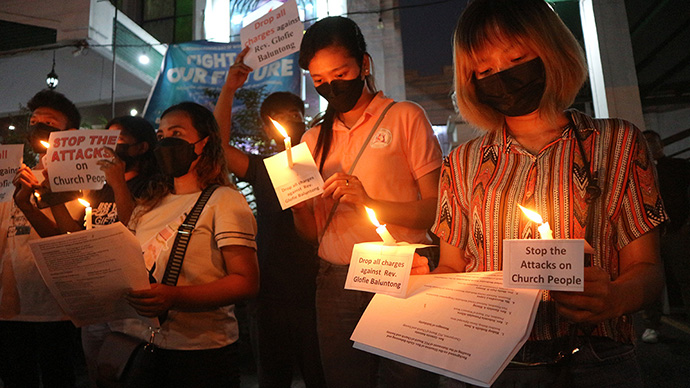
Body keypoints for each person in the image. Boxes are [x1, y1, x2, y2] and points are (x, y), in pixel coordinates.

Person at [425, 0, 666, 386]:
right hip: (491, 360)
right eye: (484, 69)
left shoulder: (617, 144)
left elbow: (649, 270)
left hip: (596, 359)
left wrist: (615, 298)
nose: (501, 76)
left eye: (516, 57)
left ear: (552, 50)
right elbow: (452, 269)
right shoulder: (462, 163)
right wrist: (416, 283)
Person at [291, 16, 443, 388]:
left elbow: (439, 209)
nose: (331, 85)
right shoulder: (312, 141)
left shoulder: (405, 117)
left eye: (340, 72)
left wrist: (371, 202)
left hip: (399, 272)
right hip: (335, 278)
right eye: (319, 80)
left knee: (407, 379)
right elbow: (312, 234)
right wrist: (298, 208)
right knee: (344, 378)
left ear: (364, 64)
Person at [112, 102, 259, 388]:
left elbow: (246, 282)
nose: (166, 141)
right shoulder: (150, 202)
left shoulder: (224, 200)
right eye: (162, 134)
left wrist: (174, 296)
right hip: (145, 346)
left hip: (200, 354)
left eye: (177, 133)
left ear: (204, 143)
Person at [213, 47, 326, 388]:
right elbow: (219, 147)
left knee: (320, 374)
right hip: (271, 291)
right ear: (266, 125)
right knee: (272, 377)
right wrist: (229, 89)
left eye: (296, 112)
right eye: (281, 115)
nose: (291, 118)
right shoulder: (262, 168)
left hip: (317, 289)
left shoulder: (321, 162)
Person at [44, 115, 158, 386]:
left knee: (127, 375)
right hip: (98, 302)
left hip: (131, 305)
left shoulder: (152, 186)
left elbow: (136, 232)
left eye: (117, 141)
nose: (109, 149)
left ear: (141, 147)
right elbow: (75, 234)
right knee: (100, 376)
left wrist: (119, 183)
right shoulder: (98, 188)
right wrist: (54, 198)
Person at [1, 89, 82, 387]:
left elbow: (73, 237)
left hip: (56, 305)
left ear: (69, 133)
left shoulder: (80, 179)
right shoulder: (13, 174)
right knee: (15, 377)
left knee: (57, 374)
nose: (38, 127)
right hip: (9, 304)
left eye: (48, 122)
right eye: (34, 121)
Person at [640, 130, 690, 343]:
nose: (651, 147)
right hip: (649, 236)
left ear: (660, 145)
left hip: (676, 231)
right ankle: (652, 325)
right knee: (650, 283)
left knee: (685, 278)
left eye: (653, 142)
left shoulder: (679, 167)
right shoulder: (638, 172)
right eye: (646, 143)